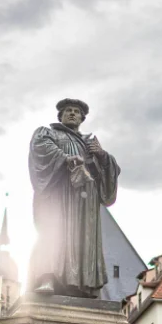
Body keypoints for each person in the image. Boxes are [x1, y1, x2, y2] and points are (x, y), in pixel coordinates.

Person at [28, 98, 120, 298]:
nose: (72, 114)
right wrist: (65, 158)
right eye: (68, 111)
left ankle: (80, 285)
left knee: (82, 239)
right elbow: (41, 150)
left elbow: (109, 175)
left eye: (76, 112)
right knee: (54, 233)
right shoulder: (48, 133)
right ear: (60, 116)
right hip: (59, 195)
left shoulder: (89, 143)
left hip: (85, 202)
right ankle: (47, 278)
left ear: (82, 118)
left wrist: (103, 156)